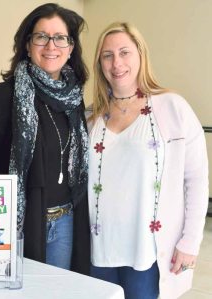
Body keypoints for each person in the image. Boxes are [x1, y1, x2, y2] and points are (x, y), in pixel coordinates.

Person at [87, 21, 208, 298]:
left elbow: (197, 179)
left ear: (141, 55)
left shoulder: (172, 107)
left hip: (147, 254)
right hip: (99, 250)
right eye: (108, 55)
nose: (116, 62)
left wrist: (190, 241)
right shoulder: (91, 116)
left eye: (125, 52)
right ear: (100, 63)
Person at [0, 3, 90, 275]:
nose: (51, 46)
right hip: (19, 226)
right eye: (41, 37)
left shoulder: (73, 101)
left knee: (59, 292)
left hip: (66, 221)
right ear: (27, 44)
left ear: (71, 48)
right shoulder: (4, 96)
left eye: (60, 37)